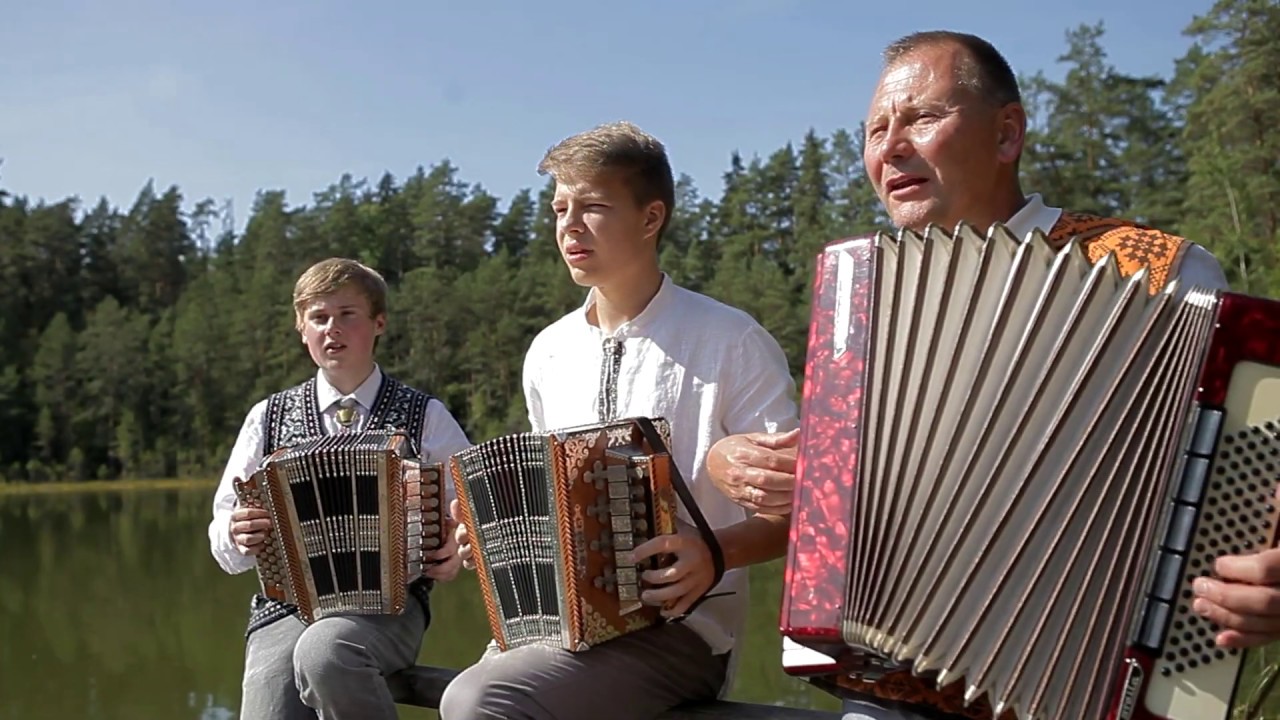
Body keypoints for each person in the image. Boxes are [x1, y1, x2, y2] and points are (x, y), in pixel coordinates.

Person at [706, 30, 1280, 720]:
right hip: (891, 687)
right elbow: (833, 482)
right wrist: (730, 461)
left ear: (1007, 133)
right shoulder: (862, 303)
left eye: (921, 118)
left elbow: (1252, 472)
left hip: (1098, 682)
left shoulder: (1155, 274)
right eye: (875, 130)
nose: (889, 148)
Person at [437, 121, 800, 720]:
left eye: (593, 206)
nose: (569, 225)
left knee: (476, 700)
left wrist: (713, 552)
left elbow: (796, 511)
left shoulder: (731, 339)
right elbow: (548, 505)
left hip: (687, 631)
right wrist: (490, 532)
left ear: (651, 218)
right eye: (559, 208)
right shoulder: (547, 352)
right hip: (553, 629)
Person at [207, 257, 472, 720]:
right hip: (284, 609)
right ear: (301, 328)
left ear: (379, 323)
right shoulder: (266, 418)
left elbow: (478, 513)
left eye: (348, 314)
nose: (333, 329)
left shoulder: (425, 416)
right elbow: (223, 530)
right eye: (319, 317)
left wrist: (457, 550)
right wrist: (236, 532)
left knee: (326, 649)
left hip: (392, 606)